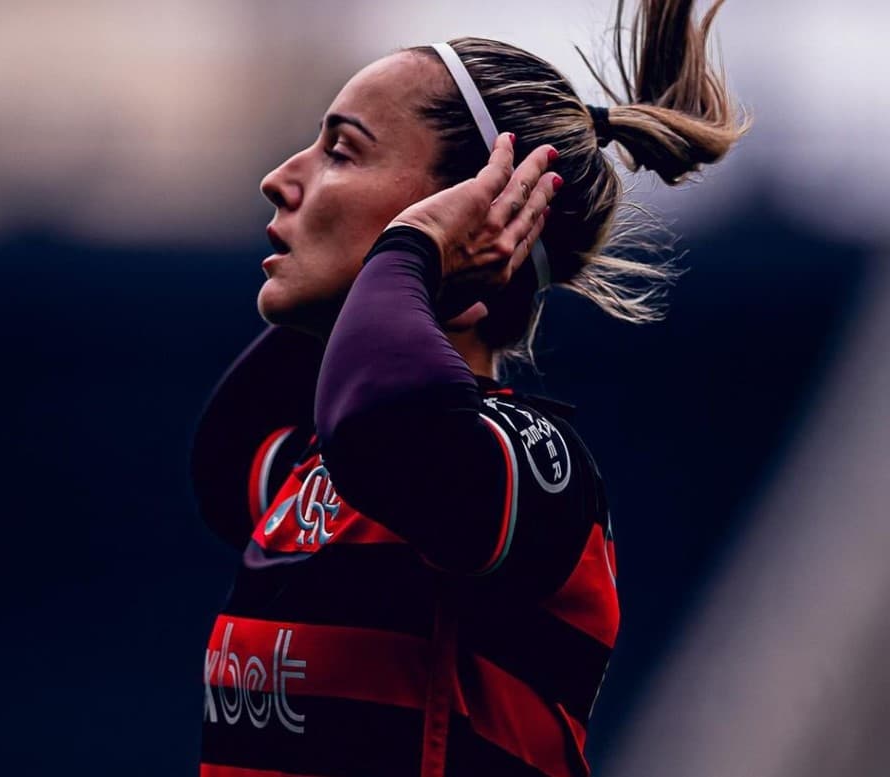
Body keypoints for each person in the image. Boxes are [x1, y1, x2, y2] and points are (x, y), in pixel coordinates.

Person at [190, 1, 746, 775]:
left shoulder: (528, 466)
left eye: (342, 152)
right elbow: (224, 458)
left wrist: (412, 251)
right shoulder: (312, 468)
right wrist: (392, 272)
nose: (279, 178)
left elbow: (386, 427)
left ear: (470, 214)